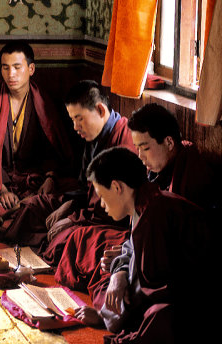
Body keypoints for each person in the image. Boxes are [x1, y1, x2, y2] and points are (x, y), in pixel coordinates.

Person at [56, 102, 218, 306]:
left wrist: (127, 262)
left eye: (145, 148)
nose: (140, 157)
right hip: (141, 244)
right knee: (83, 239)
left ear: (169, 142)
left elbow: (175, 248)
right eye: (138, 148)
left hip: (170, 266)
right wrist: (127, 253)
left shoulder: (193, 175)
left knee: (107, 262)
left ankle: (109, 308)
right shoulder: (157, 169)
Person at [74, 147, 212, 344]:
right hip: (174, 284)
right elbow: (131, 248)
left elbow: (148, 286)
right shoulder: (145, 199)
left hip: (194, 293)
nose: (102, 206)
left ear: (117, 187)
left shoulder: (152, 214)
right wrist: (119, 273)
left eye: (102, 197)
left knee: (157, 319)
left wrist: (103, 316)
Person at [4, 80, 135, 265]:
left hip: (108, 220)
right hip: (88, 210)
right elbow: (84, 188)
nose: (75, 127)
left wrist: (74, 219)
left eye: (79, 119)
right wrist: (69, 205)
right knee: (33, 207)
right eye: (72, 120)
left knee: (67, 240)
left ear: (100, 110)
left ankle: (41, 255)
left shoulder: (124, 142)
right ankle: (28, 252)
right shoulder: (94, 136)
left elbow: (111, 210)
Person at [0, 41, 75, 217]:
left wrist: (50, 178)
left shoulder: (42, 103)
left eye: (17, 67)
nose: (10, 74)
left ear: (31, 69)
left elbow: (51, 148)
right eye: (5, 68)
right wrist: (1, 189)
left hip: (33, 179)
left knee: (67, 197)